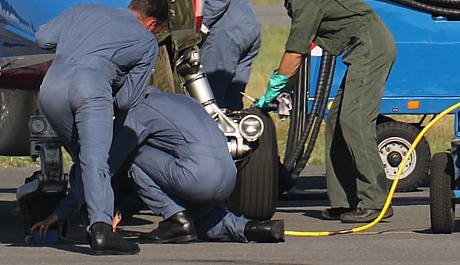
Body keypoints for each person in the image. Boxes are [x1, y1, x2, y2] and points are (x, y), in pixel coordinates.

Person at [249, 0, 397, 224]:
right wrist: (281, 86)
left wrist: (276, 86)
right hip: (363, 49)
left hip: (371, 46)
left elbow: (295, 51)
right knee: (337, 121)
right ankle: (346, 201)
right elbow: (299, 52)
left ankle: (376, 201)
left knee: (354, 120)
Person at [33, 86, 284, 245]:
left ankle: (176, 219)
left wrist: (60, 213)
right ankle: (253, 228)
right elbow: (153, 181)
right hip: (228, 178)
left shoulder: (137, 113)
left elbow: (102, 167)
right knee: (200, 222)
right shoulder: (176, 100)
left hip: (195, 177)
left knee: (129, 154)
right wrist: (122, 213)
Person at [35, 0, 169, 256]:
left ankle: (80, 215)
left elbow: (42, 37)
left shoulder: (83, 8)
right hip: (91, 87)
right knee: (96, 160)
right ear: (152, 23)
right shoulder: (146, 41)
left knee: (83, 159)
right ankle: (100, 228)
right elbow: (126, 100)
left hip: (51, 88)